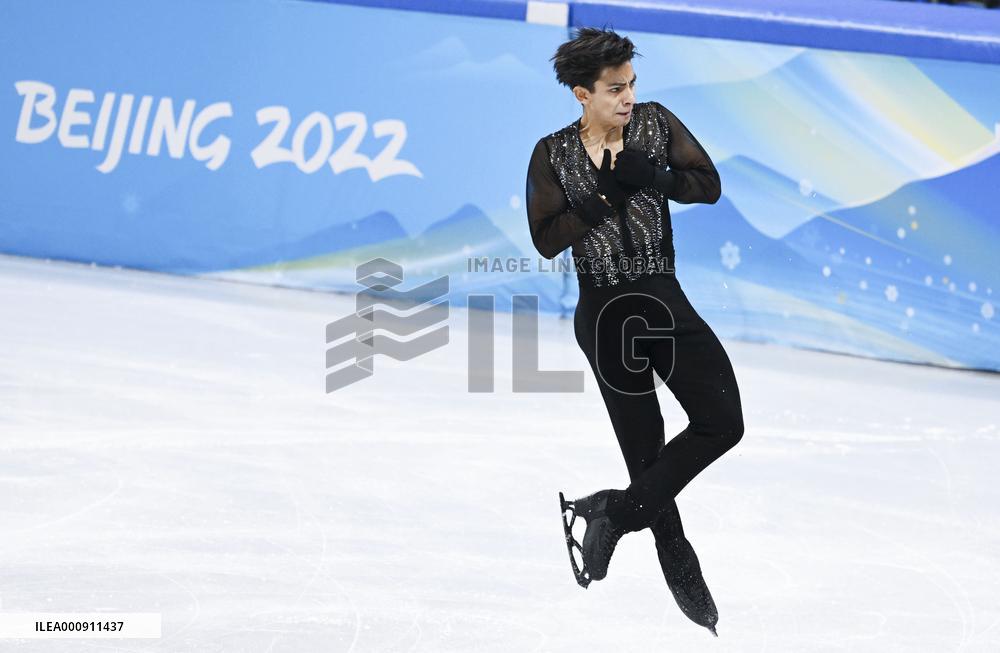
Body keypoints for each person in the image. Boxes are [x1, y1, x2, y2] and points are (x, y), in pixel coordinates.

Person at [525, 27, 745, 636]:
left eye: (631, 85)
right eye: (614, 89)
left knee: (724, 422)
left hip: (662, 299)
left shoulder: (654, 124)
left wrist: (658, 179)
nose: (627, 98)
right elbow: (545, 240)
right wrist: (602, 195)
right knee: (650, 462)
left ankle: (612, 516)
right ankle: (688, 584)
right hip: (605, 316)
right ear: (581, 94)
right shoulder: (552, 154)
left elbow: (708, 185)